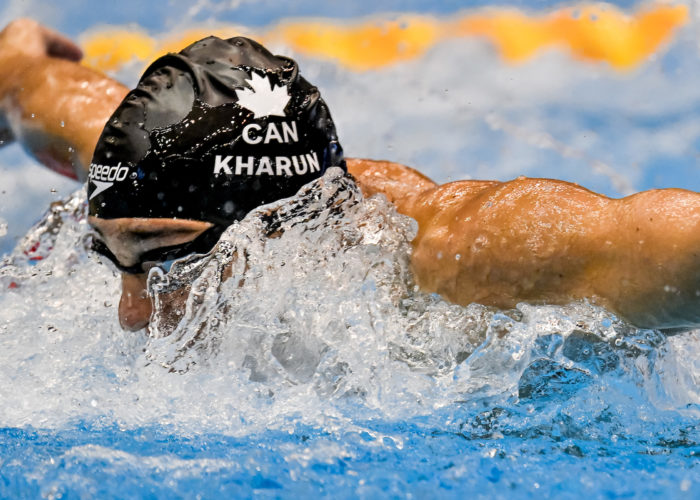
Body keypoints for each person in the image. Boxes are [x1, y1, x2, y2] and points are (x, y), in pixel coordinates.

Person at [1, 19, 699, 332]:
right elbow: (35, 82)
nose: (130, 314)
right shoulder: (142, 162)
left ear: (258, 232)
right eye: (114, 253)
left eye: (164, 266)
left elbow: (670, 243)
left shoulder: (456, 264)